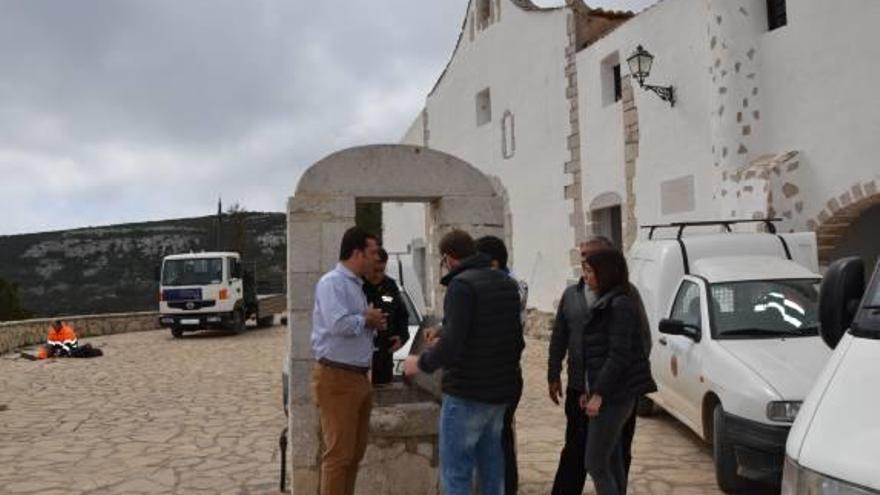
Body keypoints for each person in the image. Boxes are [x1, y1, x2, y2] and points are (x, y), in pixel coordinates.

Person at [403, 229, 524, 495]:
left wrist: (421, 362)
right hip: (499, 393)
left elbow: (453, 345)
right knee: (492, 470)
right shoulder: (506, 283)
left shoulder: (461, 286)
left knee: (457, 474)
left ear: (449, 258)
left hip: (467, 393)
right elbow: (511, 338)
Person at [548, 237, 651, 495]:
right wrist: (554, 372)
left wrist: (617, 385)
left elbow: (634, 345)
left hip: (612, 391)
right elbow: (560, 335)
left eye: (590, 257)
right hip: (581, 387)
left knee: (611, 455)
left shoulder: (624, 297)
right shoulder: (571, 295)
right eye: (582, 256)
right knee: (576, 449)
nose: (584, 261)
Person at [311, 226, 388, 495]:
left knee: (354, 455)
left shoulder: (355, 286)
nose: (376, 259)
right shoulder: (332, 283)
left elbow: (351, 324)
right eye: (371, 253)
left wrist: (371, 323)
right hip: (337, 378)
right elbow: (337, 323)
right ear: (357, 253)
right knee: (338, 456)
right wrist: (367, 319)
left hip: (356, 377)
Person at [579, 249, 657, 495]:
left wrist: (599, 393)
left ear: (606, 272)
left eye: (590, 271)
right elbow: (598, 354)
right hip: (608, 392)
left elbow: (618, 355)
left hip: (614, 396)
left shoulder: (620, 304)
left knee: (594, 462)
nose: (586, 277)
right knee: (611, 460)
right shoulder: (609, 300)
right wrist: (589, 388)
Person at [475, 235, 527, 495]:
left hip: (502, 372)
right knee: (499, 437)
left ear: (493, 263)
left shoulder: (508, 286)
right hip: (506, 372)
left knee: (499, 438)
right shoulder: (511, 283)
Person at [363, 247, 410, 385]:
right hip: (362, 353)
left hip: (384, 353)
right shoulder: (357, 285)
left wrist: (402, 336)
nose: (378, 275)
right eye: (375, 270)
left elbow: (402, 315)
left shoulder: (389, 285)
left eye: (382, 271)